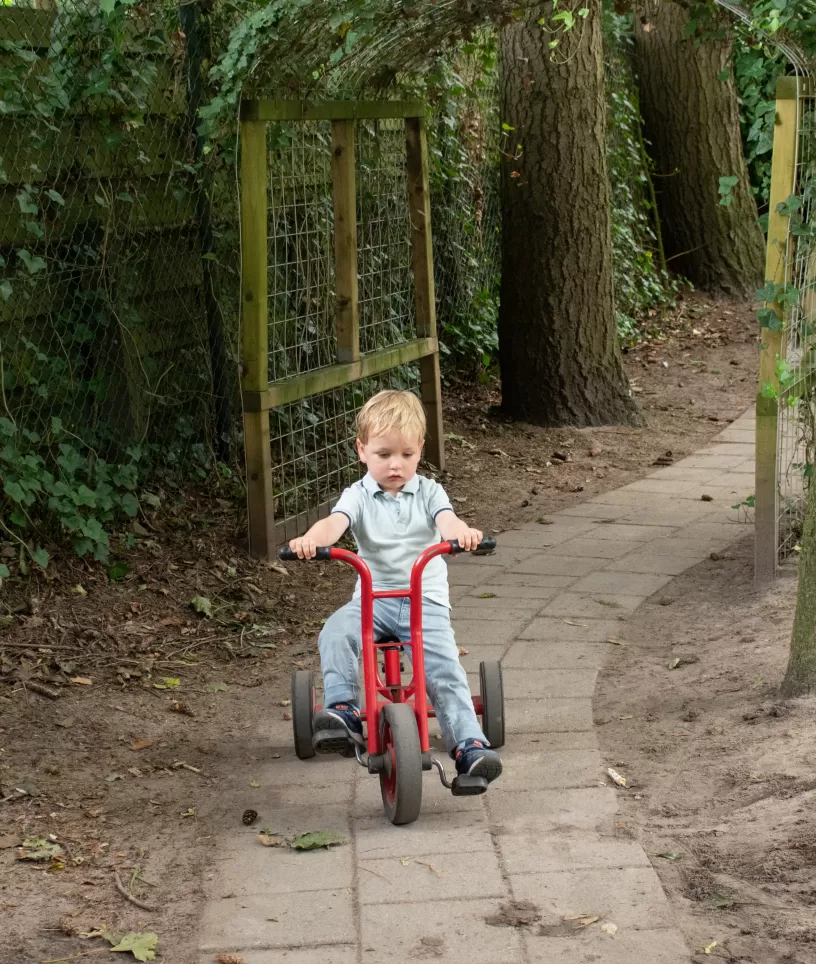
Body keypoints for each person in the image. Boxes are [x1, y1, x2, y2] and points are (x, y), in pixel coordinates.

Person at [288, 389, 502, 786]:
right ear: (362, 450)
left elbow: (448, 522)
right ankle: (344, 710)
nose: (395, 465)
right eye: (384, 454)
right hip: (374, 600)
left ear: (420, 450)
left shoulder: (429, 492)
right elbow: (334, 523)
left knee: (443, 668)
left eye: (406, 454)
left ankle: (468, 745)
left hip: (425, 603)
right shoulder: (358, 495)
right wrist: (312, 540)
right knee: (335, 631)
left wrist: (463, 534)